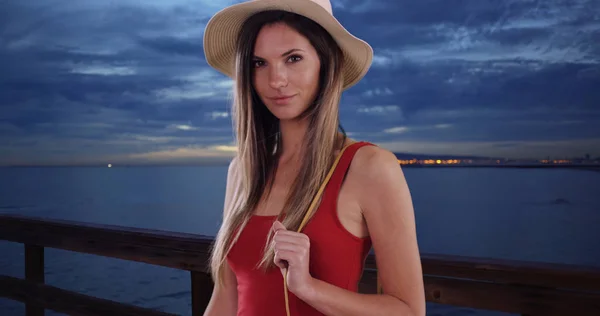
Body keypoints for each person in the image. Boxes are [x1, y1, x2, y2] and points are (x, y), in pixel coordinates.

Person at [202, 0, 425, 315]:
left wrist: (308, 288)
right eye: (258, 63)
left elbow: (409, 311)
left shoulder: (369, 168)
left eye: (293, 58)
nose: (276, 80)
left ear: (326, 61)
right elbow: (226, 297)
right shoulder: (242, 171)